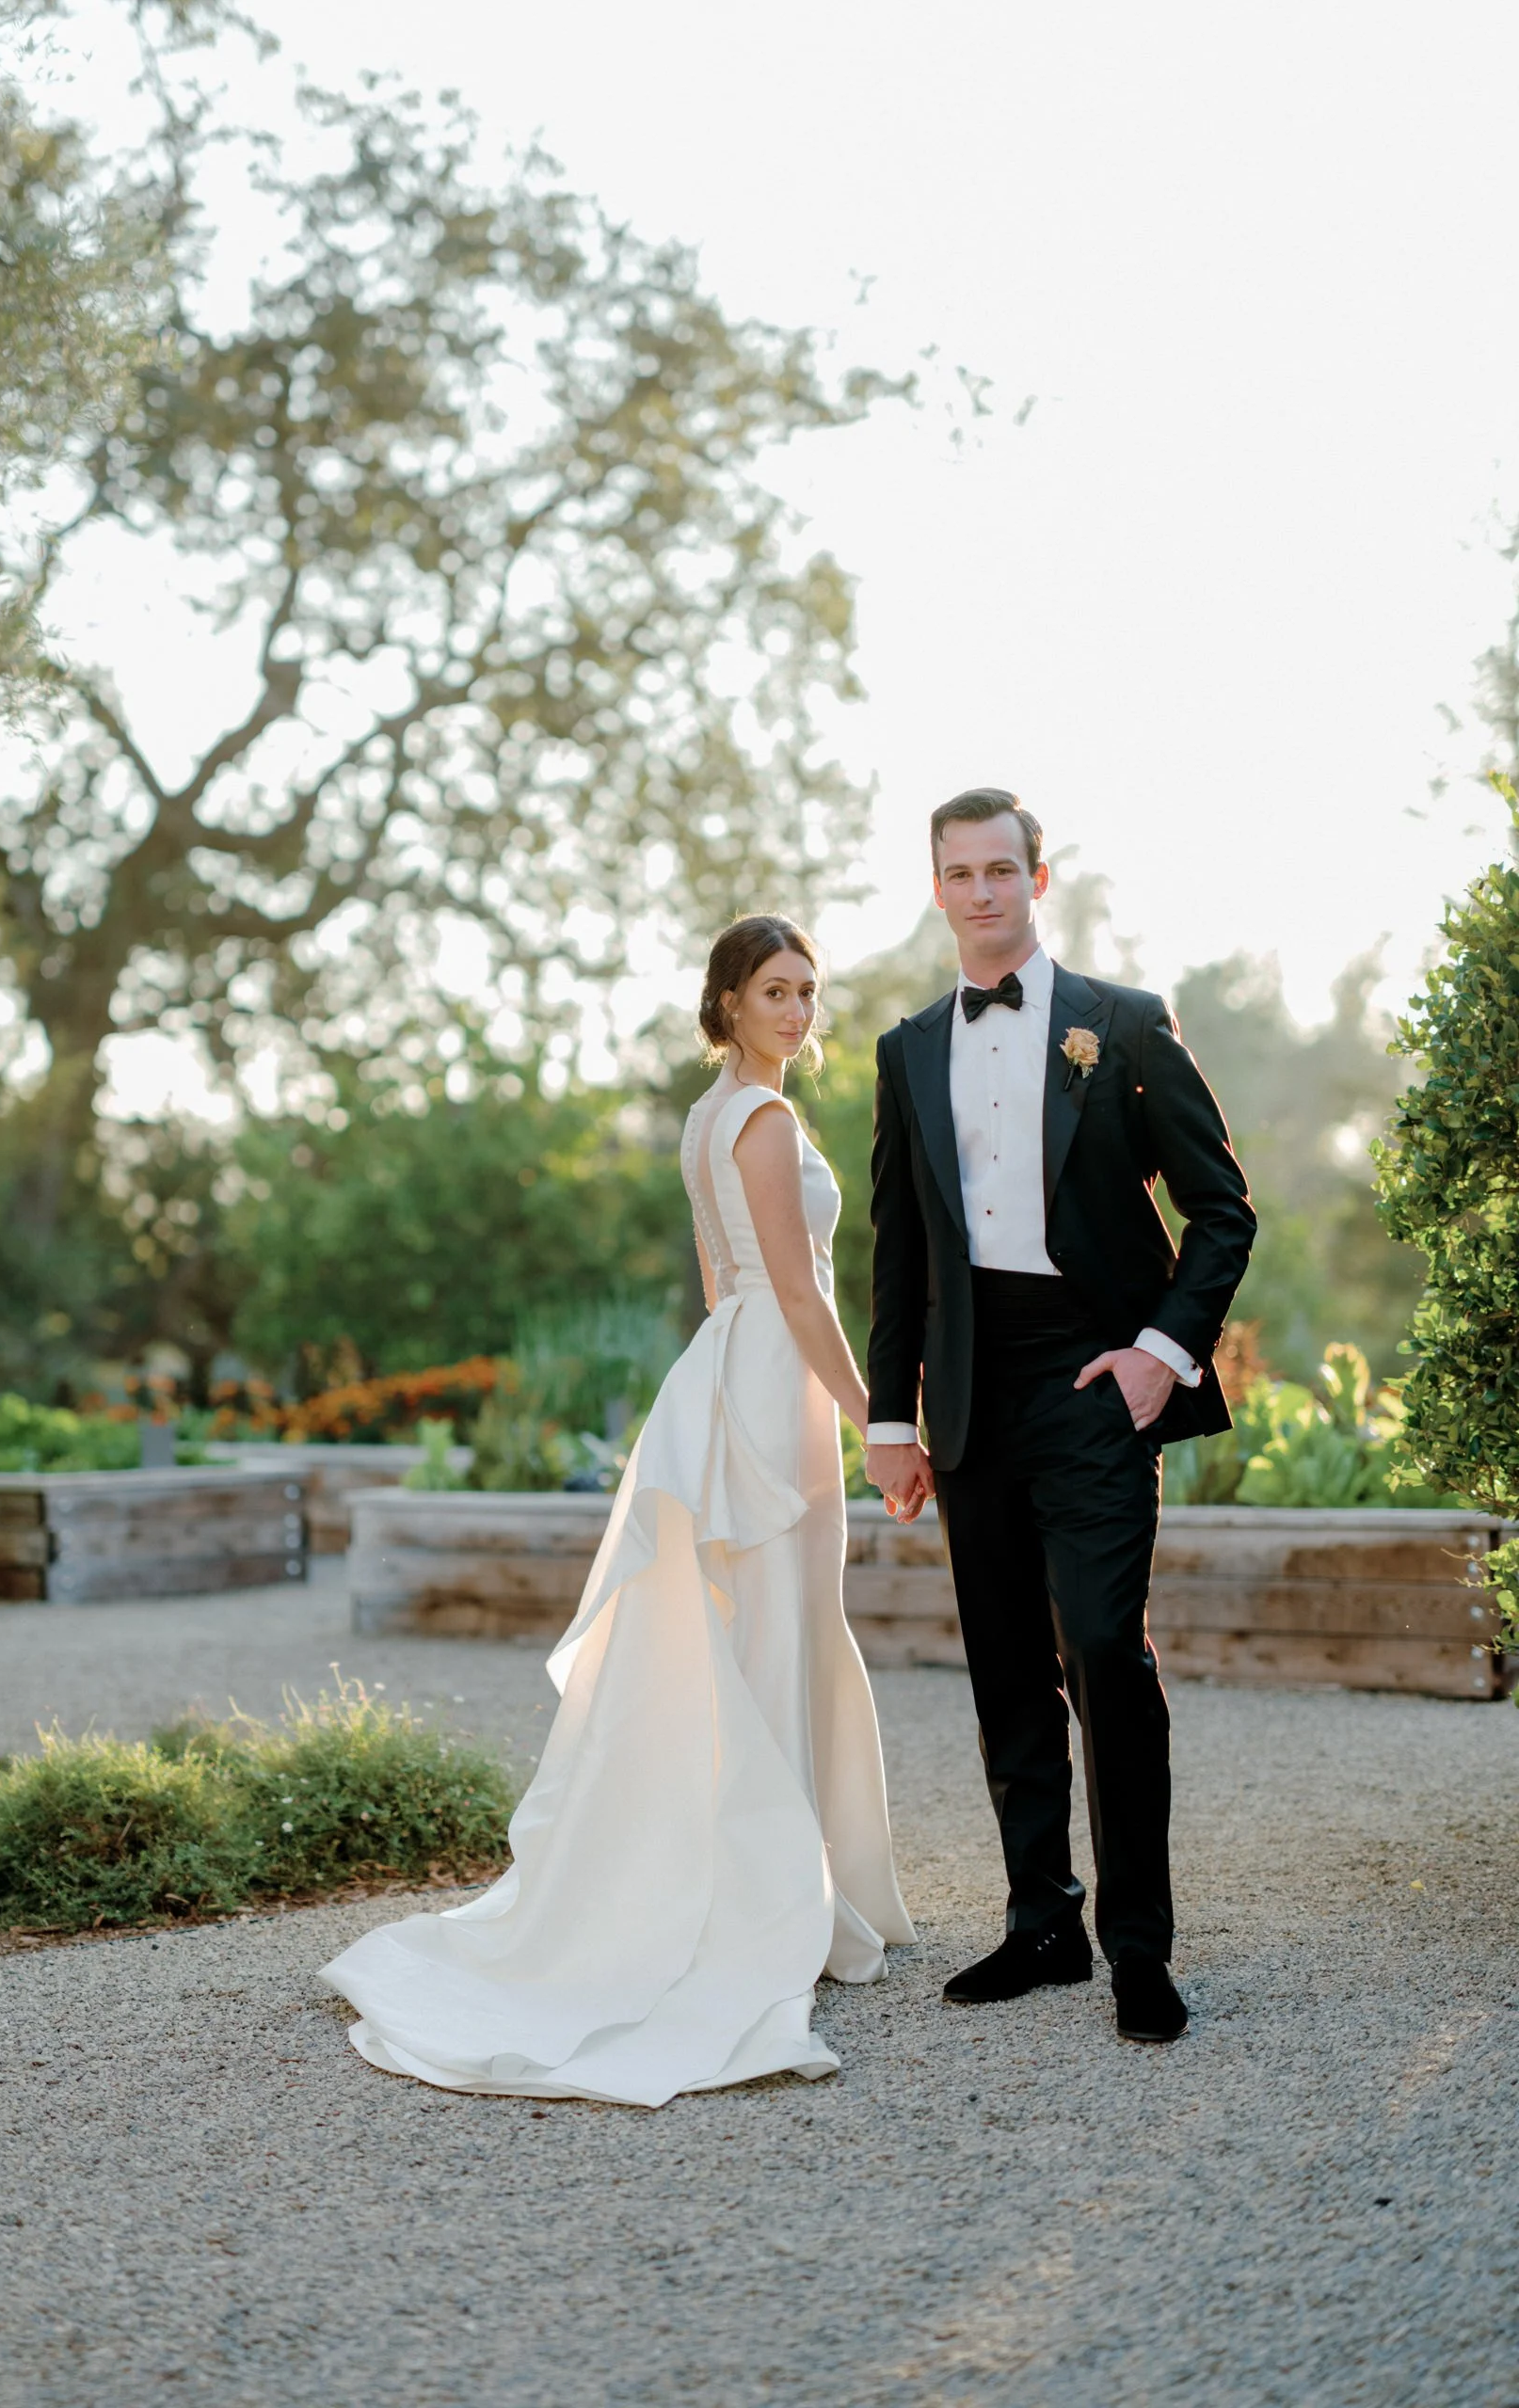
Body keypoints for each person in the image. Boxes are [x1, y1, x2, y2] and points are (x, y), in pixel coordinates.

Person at [322, 916, 916, 2105]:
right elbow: (800, 1290)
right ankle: (766, 1905)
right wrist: (874, 1417)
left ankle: (781, 1884)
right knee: (772, 1629)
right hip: (771, 1374)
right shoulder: (765, 1117)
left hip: (731, 1360)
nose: (799, 1011)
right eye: (776, 991)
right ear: (731, 1004)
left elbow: (720, 1279)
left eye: (810, 990)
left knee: (761, 1628)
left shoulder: (707, 1119)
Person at [864, 789, 1254, 2044]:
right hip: (972, 1394)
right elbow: (898, 1247)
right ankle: (1044, 1926)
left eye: (1001, 870)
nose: (981, 892)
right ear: (936, 889)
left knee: (1101, 1650)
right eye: (958, 874)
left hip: (1094, 1379)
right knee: (1004, 1671)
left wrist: (1159, 1355)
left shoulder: (1123, 1026)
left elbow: (1222, 1210)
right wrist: (888, 1415)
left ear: (1040, 878)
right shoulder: (906, 1047)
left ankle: (1140, 1947)